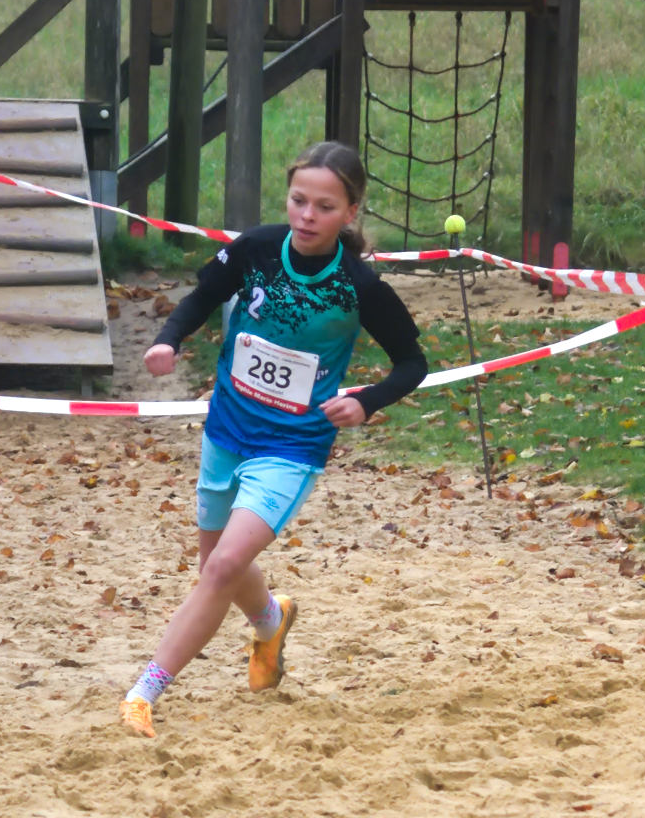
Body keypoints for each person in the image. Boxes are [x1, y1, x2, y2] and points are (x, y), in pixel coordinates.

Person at [120, 140, 428, 738]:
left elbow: (411, 364)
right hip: (227, 430)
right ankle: (270, 622)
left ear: (351, 213)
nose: (307, 216)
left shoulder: (359, 285)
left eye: (324, 206)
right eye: (299, 201)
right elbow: (205, 295)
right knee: (219, 567)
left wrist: (365, 402)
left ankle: (145, 691)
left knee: (225, 564)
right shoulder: (258, 249)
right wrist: (170, 339)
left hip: (291, 448)